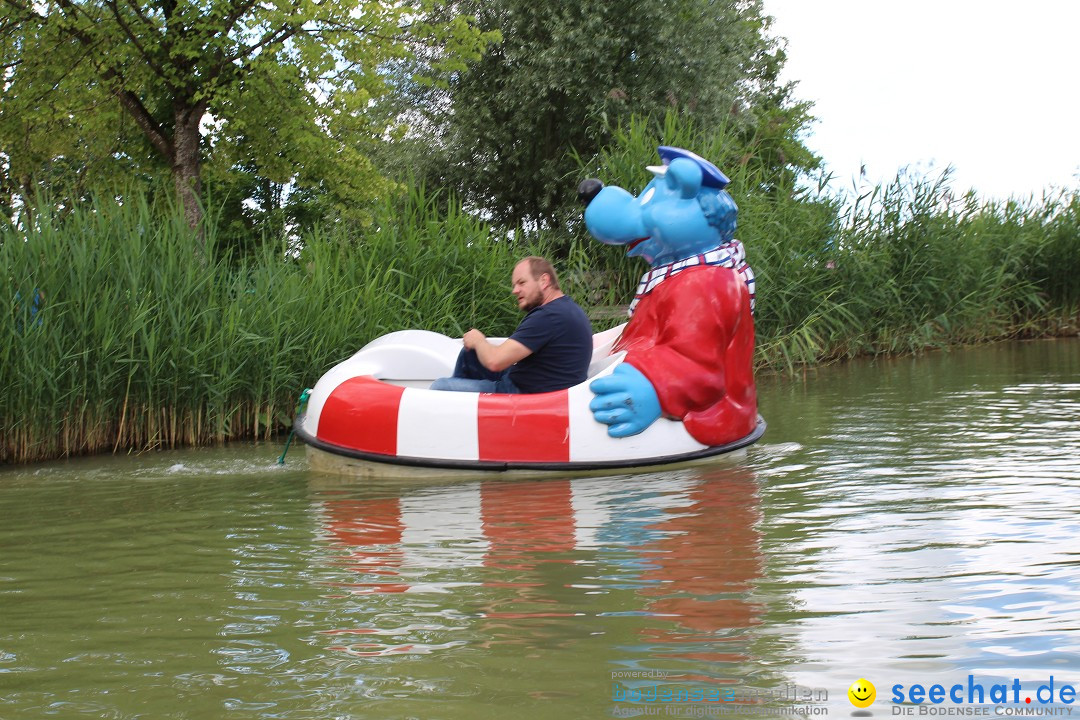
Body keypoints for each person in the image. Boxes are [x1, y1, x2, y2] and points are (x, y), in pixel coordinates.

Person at [430, 256, 593, 394]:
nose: (515, 290)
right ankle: (464, 411)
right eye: (514, 285)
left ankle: (455, 411)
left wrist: (479, 339)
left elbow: (495, 361)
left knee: (440, 387)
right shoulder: (566, 308)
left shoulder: (548, 316)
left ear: (544, 281)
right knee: (470, 354)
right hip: (531, 382)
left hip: (523, 395)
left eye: (521, 283)